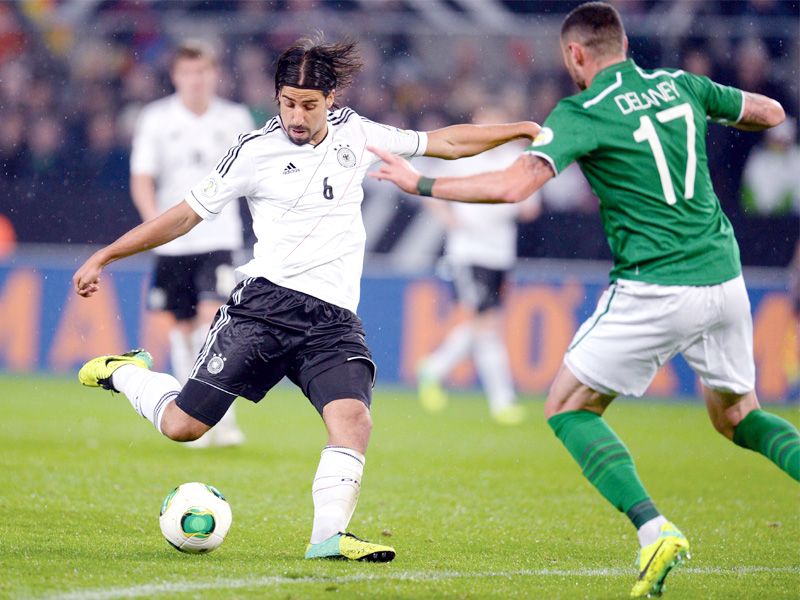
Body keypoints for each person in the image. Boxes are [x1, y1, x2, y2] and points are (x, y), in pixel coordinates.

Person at [367, 2, 799, 596]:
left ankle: (653, 530)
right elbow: (771, 112)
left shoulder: (583, 111)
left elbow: (514, 185)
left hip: (656, 284)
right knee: (739, 416)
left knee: (566, 407)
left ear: (575, 54)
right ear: (621, 44)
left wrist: (420, 181)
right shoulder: (682, 84)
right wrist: (705, 115)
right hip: (726, 280)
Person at [73, 36, 540, 562]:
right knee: (184, 426)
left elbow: (445, 143)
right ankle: (124, 371)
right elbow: (183, 214)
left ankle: (328, 537)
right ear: (276, 97)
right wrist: (108, 254)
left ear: (331, 99)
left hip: (333, 320)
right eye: (288, 103)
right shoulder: (253, 152)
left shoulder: (358, 134)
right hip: (263, 309)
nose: (297, 115)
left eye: (310, 105)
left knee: (353, 420)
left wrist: (519, 132)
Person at [130, 41, 255, 448]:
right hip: (172, 242)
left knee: (213, 324)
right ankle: (192, 416)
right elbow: (142, 178)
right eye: (189, 72)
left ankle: (226, 420)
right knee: (183, 332)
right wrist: (156, 226)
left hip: (218, 236)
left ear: (215, 74)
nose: (196, 80)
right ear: (176, 76)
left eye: (203, 71)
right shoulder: (156, 118)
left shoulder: (235, 117)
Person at [415, 107, 541, 425]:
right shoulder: (465, 158)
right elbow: (427, 188)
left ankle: (434, 368)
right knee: (485, 325)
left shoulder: (514, 157)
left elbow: (530, 209)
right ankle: (502, 402)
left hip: (500, 254)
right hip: (468, 252)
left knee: (485, 326)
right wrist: (450, 219)